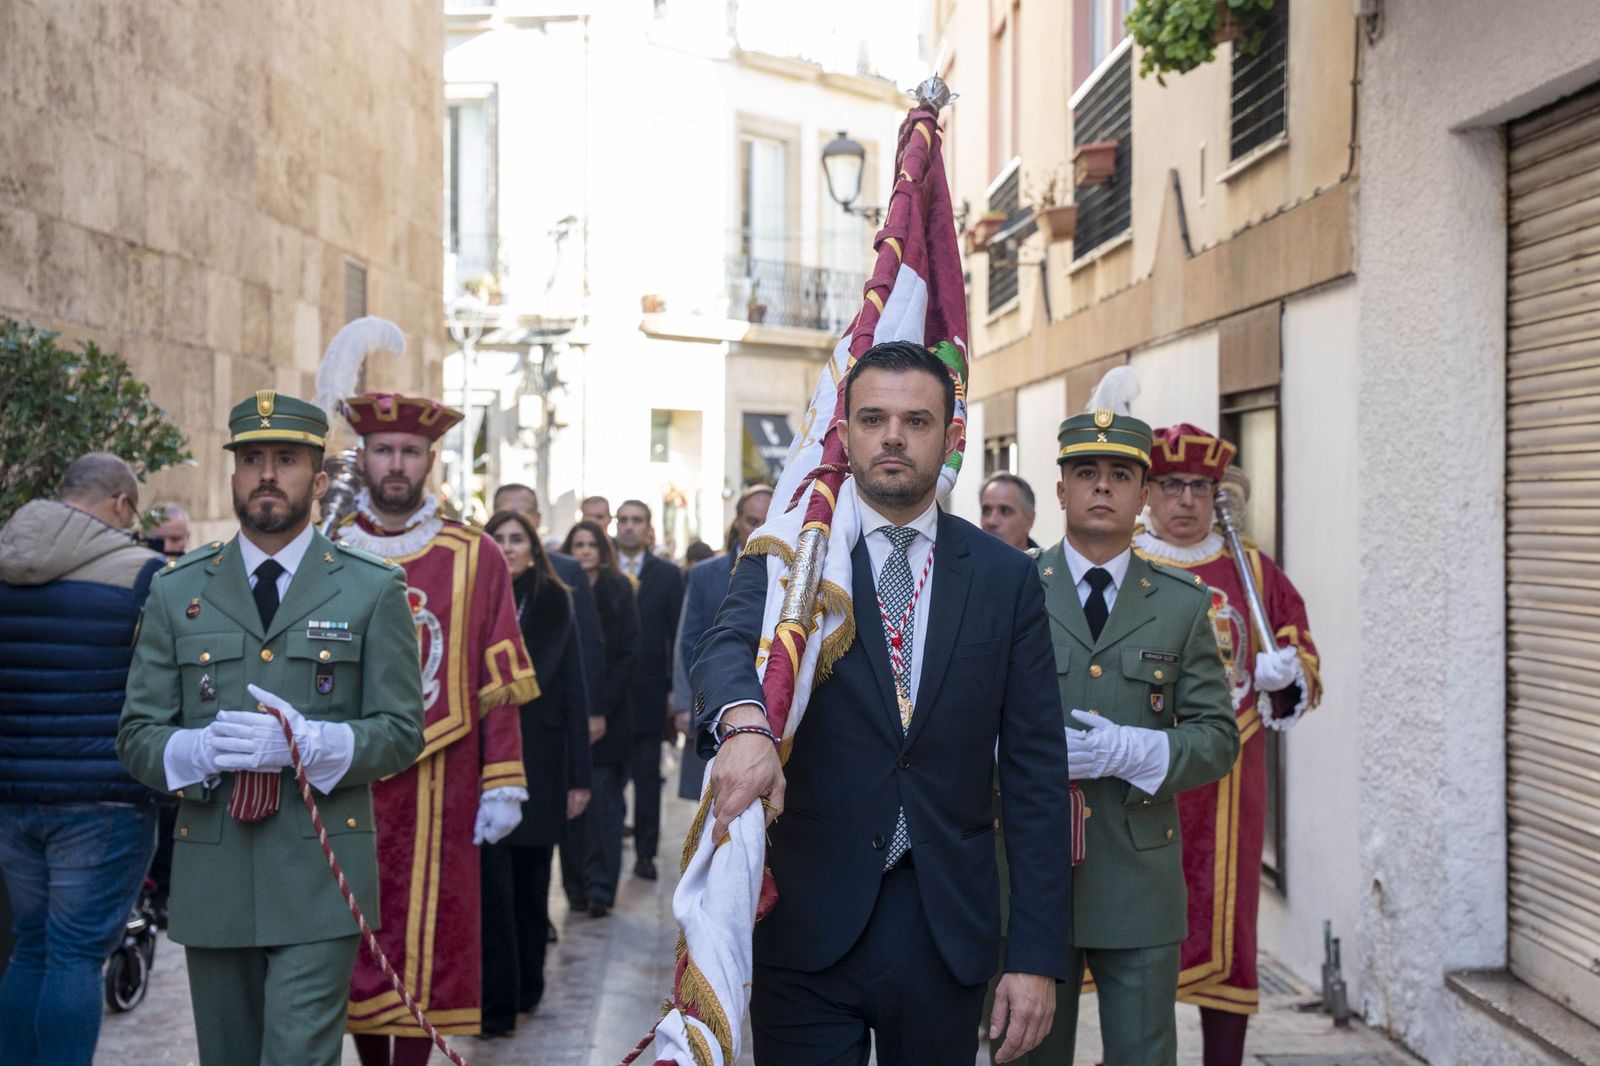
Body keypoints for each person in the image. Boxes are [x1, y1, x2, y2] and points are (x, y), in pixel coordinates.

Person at [691, 340, 1074, 1066]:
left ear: (950, 437)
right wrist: (745, 725)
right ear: (846, 429)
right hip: (805, 916)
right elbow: (722, 650)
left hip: (943, 924)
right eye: (873, 418)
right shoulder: (793, 555)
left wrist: (1034, 955)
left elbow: (1035, 777)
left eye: (916, 421)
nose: (892, 436)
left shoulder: (1005, 579)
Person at [116, 394, 425, 1066]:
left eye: (285, 460)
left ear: (317, 483)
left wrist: (314, 746)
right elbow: (137, 733)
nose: (265, 474)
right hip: (215, 869)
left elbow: (402, 731)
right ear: (231, 477)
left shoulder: (372, 591)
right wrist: (193, 750)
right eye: (251, 459)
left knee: (297, 1057)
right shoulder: (177, 590)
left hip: (319, 868)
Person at [1012, 401, 1239, 1066]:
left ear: (1144, 493)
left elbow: (1218, 737)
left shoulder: (1183, 603)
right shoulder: (1014, 588)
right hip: (1029, 871)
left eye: (1120, 473)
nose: (1102, 485)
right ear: (1061, 489)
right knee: (1025, 1054)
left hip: (1137, 877)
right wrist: (1012, 753)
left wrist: (1140, 750)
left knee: (1142, 1055)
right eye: (1086, 471)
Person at [336, 393, 538, 1065]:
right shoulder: (329, 550)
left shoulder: (475, 553)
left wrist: (503, 780)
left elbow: (499, 675)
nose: (397, 465)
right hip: (344, 773)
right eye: (385, 450)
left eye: (411, 452)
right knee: (351, 939)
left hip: (441, 782)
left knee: (428, 949)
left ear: (430, 460)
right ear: (362, 458)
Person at [1133, 424, 1322, 1066]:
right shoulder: (1117, 562)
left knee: (1228, 929)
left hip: (1230, 778)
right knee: (1130, 934)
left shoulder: (1254, 570)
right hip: (1137, 773)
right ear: (1147, 493)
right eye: (1171, 485)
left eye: (1199, 487)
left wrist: (1286, 676)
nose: (1185, 500)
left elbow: (1299, 654)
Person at [0, 453, 165, 1066]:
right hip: (104, 798)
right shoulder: (143, 572)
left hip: (14, 794)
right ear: (122, 503)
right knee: (74, 955)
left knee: (32, 947)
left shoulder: (7, 559)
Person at [479, 510, 592, 1036]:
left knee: (530, 884)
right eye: (497, 539)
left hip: (541, 761)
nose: (507, 548)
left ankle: (528, 986)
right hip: (483, 762)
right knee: (490, 888)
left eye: (516, 539)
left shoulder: (553, 599)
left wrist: (579, 777)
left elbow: (571, 687)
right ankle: (494, 1003)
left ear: (533, 547)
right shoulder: (474, 596)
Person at [672, 484, 772, 801]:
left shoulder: (794, 571)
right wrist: (686, 702)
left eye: (769, 520)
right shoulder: (706, 573)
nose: (760, 529)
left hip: (771, 701)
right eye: (753, 521)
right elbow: (688, 641)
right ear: (738, 522)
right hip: (715, 701)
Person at [559, 520, 638, 916]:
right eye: (578, 544)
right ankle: (574, 889)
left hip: (608, 716)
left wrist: (600, 708)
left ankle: (600, 890)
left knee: (604, 809)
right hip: (565, 719)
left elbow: (627, 654)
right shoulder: (559, 588)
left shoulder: (618, 590)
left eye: (592, 544)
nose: (585, 551)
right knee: (570, 810)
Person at [612, 500, 683, 880]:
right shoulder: (602, 571)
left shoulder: (668, 576)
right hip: (610, 696)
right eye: (622, 520)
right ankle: (606, 854)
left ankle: (645, 854)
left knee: (646, 777)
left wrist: (675, 690)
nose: (628, 527)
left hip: (649, 692)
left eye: (636, 520)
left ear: (648, 527)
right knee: (609, 780)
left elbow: (677, 635)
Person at [979, 473, 1038, 551]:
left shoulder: (1045, 562)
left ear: (1029, 521)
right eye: (986, 511)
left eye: (1005, 511)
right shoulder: (963, 561)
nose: (991, 521)